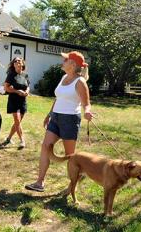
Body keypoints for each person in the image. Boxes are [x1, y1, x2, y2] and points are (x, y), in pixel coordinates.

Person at [25, 51, 93, 192]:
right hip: (56, 117)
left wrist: (87, 111)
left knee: (70, 157)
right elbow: (58, 98)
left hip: (70, 120)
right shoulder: (63, 77)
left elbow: (86, 103)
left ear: (73, 64)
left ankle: (72, 184)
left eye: (65, 60)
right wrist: (49, 113)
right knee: (46, 147)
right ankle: (39, 182)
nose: (62, 62)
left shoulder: (80, 82)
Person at [2, 57, 30, 149]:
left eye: (19, 61)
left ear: (22, 63)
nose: (17, 62)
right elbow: (6, 87)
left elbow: (28, 86)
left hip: (23, 101)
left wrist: (27, 92)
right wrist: (17, 91)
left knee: (17, 122)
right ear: (13, 64)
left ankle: (9, 138)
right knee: (17, 121)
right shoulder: (11, 75)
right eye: (15, 61)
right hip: (13, 100)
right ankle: (22, 141)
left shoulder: (25, 75)